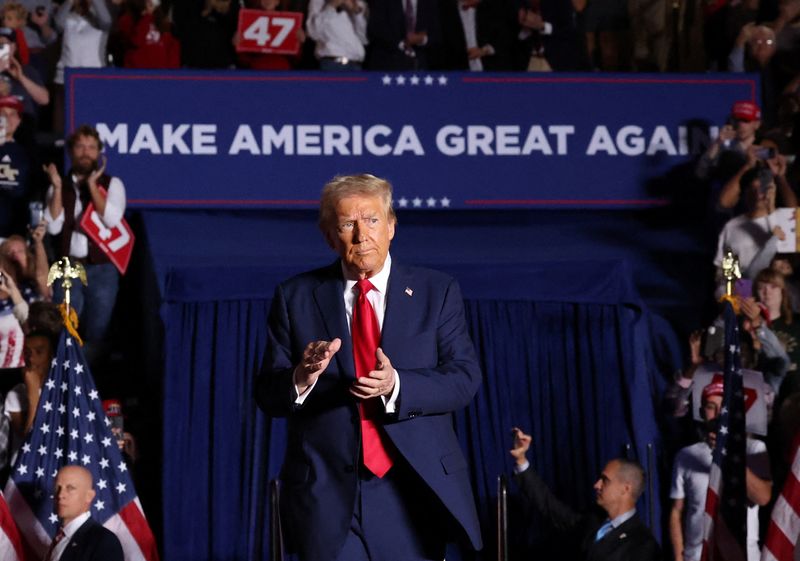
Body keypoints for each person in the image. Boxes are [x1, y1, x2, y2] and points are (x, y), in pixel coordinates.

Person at [255, 173, 483, 561]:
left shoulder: (436, 291)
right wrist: (301, 378)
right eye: (347, 224)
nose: (362, 235)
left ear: (392, 225)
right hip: (328, 499)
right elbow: (267, 395)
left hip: (411, 490)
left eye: (372, 220)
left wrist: (397, 385)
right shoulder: (295, 297)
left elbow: (464, 378)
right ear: (330, 235)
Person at [509, 427, 661, 561]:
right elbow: (550, 507)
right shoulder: (592, 521)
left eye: (605, 480)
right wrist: (521, 460)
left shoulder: (642, 544)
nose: (596, 485)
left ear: (625, 489)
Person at [44, 124, 126, 366]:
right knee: (66, 327)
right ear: (71, 151)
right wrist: (58, 188)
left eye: (91, 147)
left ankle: (91, 385)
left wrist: (92, 185)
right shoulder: (58, 185)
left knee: (99, 331)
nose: (86, 153)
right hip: (68, 266)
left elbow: (111, 219)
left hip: (102, 268)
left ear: (99, 152)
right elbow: (53, 227)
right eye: (80, 147)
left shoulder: (113, 185)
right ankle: (67, 378)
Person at [669, 378, 772, 561]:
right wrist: (679, 556)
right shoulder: (685, 455)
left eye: (723, 407)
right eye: (710, 406)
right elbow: (677, 510)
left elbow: (762, 497)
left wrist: (730, 455)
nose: (717, 414)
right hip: (698, 556)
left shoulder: (754, 449)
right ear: (702, 412)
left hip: (742, 555)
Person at [49, 465, 124, 561]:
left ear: (89, 496)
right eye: (57, 488)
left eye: (70, 488)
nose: (60, 495)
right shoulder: (58, 539)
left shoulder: (103, 542)